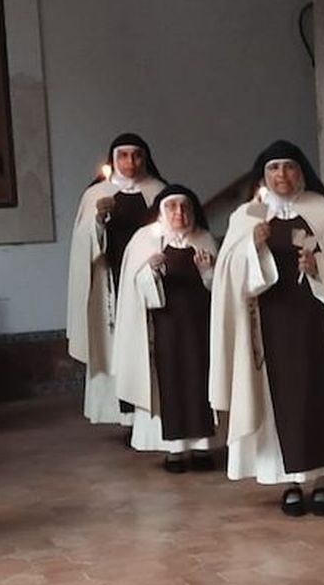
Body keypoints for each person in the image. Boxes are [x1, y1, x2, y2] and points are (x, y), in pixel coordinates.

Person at [209, 140, 324, 516]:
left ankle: (322, 481)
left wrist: (319, 268)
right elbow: (229, 276)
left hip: (316, 323)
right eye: (274, 168)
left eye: (289, 167)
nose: (282, 175)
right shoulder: (246, 216)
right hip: (269, 325)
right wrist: (253, 248)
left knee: (319, 393)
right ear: (263, 176)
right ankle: (290, 482)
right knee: (280, 400)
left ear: (301, 172)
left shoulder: (322, 210)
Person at [112, 185, 222, 471]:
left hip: (200, 328)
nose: (179, 213)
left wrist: (208, 272)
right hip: (163, 330)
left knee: (200, 383)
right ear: (161, 211)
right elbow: (135, 293)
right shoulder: (144, 240)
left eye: (184, 207)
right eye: (172, 207)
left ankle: (202, 448)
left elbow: (220, 291)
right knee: (169, 386)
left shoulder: (204, 239)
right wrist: (150, 272)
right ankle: (174, 450)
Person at [66, 133, 166, 428]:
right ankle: (122, 416)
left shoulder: (159, 191)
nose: (130, 162)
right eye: (123, 155)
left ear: (145, 158)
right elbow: (82, 245)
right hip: (110, 282)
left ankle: (150, 419)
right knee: (114, 349)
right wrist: (98, 221)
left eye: (136, 155)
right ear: (113, 159)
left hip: (146, 280)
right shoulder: (96, 194)